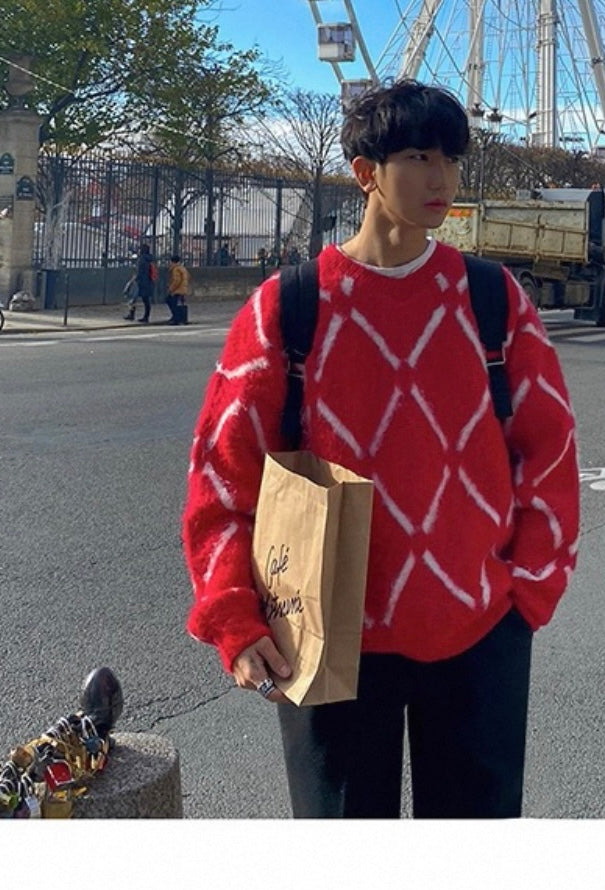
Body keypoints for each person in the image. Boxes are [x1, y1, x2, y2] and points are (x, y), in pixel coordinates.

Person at [181, 79, 580, 819]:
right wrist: (232, 617)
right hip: (323, 633)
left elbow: (549, 450)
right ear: (365, 172)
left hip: (480, 631)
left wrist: (527, 592)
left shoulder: (494, 301)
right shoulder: (287, 308)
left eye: (451, 159)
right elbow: (223, 478)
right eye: (419, 157)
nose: (441, 179)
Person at [165, 254, 190, 325]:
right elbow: (188, 277)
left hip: (178, 290)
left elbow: (176, 281)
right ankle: (180, 318)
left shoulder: (176, 269)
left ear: (172, 262)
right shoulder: (182, 268)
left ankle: (176, 318)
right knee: (179, 304)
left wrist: (171, 289)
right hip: (183, 289)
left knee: (171, 302)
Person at [134, 242, 155, 322]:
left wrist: (136, 278)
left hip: (142, 281)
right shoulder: (150, 259)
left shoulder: (142, 259)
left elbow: (140, 271)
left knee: (134, 298)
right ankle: (146, 316)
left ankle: (136, 315)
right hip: (149, 281)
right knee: (146, 300)